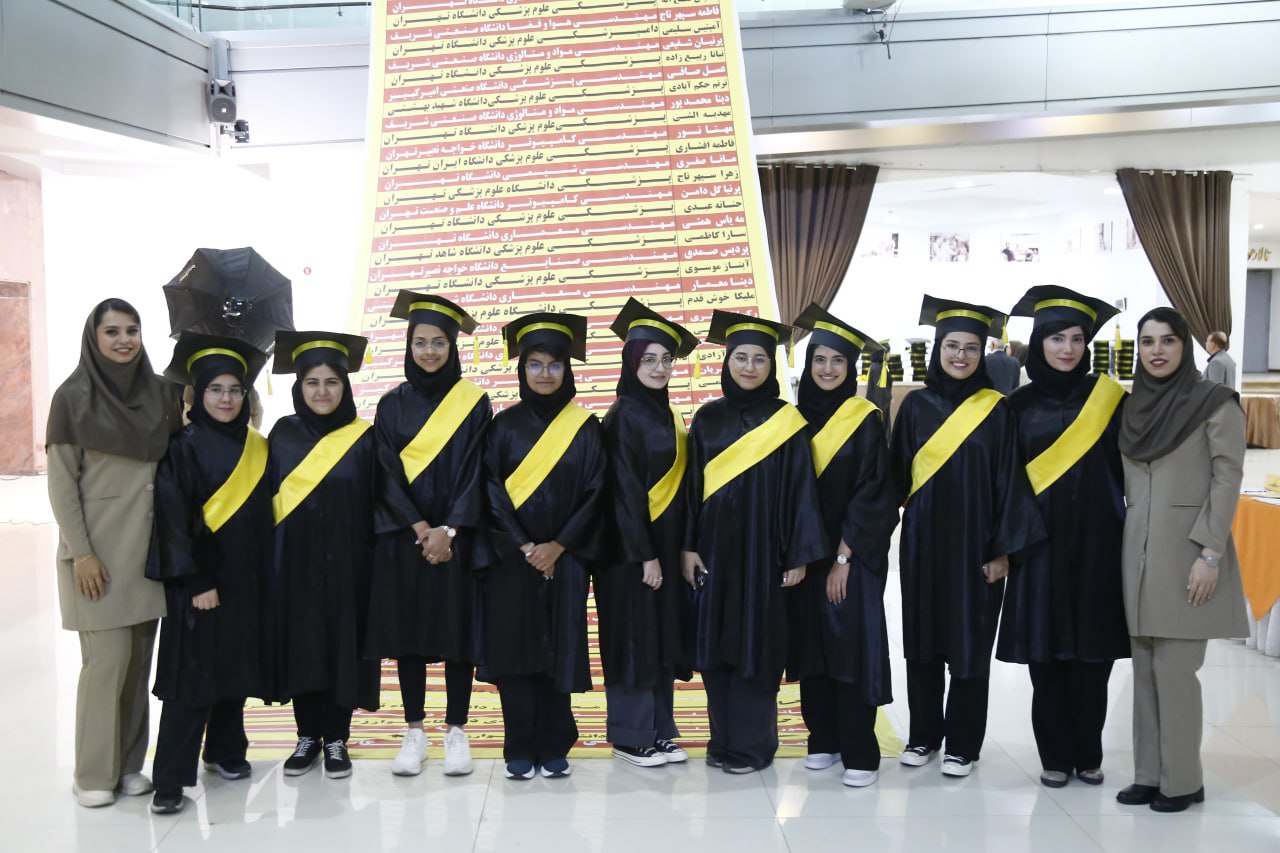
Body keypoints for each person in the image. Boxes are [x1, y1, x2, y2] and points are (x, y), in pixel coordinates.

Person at [889, 295, 1044, 778]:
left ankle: (963, 744)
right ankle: (922, 736)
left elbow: (1010, 483)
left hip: (978, 547)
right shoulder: (915, 407)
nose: (961, 356)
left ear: (983, 353)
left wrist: (1002, 550)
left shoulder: (997, 411)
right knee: (922, 642)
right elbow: (893, 479)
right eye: (952, 346)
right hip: (923, 545)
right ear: (938, 350)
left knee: (970, 645)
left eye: (971, 348)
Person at [47, 299, 182, 808]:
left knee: (137, 665)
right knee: (107, 662)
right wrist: (81, 553)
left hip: (147, 553)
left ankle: (128, 766)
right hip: (98, 553)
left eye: (132, 330)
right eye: (112, 331)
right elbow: (62, 485)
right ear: (94, 337)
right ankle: (91, 774)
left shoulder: (160, 395)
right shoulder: (72, 397)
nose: (124, 340)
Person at [996, 286, 1129, 789]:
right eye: (1057, 339)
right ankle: (1054, 755)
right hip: (1039, 546)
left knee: (1094, 656)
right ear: (1039, 343)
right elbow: (1006, 481)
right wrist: (1008, 544)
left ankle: (1088, 753)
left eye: (1076, 339)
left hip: (1099, 544)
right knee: (1046, 655)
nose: (1068, 349)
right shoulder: (1018, 406)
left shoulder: (1110, 400)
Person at [681, 310, 825, 774]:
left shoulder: (787, 420)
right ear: (727, 362)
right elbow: (690, 489)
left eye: (759, 358)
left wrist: (798, 554)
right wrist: (688, 546)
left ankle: (753, 748)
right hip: (714, 553)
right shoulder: (708, 419)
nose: (749, 366)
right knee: (716, 647)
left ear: (771, 365)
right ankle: (722, 741)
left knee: (757, 647)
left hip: (766, 554)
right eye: (740, 357)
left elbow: (801, 491)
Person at [1115, 307, 1247, 813]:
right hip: (1137, 554)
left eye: (1168, 340)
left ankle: (1183, 781)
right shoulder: (1133, 408)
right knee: (1146, 669)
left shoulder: (1214, 403)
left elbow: (1227, 479)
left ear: (1184, 346)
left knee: (1175, 671)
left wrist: (1210, 553)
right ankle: (1150, 775)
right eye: (1147, 342)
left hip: (1189, 554)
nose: (1157, 351)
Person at [365, 292, 492, 778]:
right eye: (420, 342)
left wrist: (450, 529)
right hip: (406, 537)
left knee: (457, 634)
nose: (429, 351)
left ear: (453, 346)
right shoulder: (391, 404)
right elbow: (385, 473)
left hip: (456, 539)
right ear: (408, 345)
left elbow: (478, 469)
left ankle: (456, 730)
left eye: (439, 342)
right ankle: (415, 730)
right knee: (410, 636)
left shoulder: (473, 401)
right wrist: (421, 528)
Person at [147, 333, 272, 815]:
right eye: (215, 390)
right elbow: (174, 518)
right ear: (197, 395)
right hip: (199, 583)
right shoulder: (183, 447)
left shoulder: (257, 446)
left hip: (246, 580)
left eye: (235, 390)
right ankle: (170, 778)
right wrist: (198, 580)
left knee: (234, 668)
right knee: (192, 681)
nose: (226, 399)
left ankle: (224, 751)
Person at [482, 312, 604, 780]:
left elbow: (596, 492)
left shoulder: (585, 427)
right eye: (535, 364)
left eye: (555, 365)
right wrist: (524, 545)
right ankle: (519, 745)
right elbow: (490, 491)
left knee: (559, 648)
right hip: (512, 560)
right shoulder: (503, 426)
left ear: (567, 369)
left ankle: (555, 743)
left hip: (566, 559)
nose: (545, 374)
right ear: (522, 369)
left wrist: (558, 545)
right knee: (515, 653)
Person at [789, 304, 897, 788]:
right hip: (807, 557)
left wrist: (843, 557)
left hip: (851, 556)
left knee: (852, 646)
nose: (828, 369)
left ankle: (860, 751)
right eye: (820, 360)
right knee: (812, 646)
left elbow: (875, 493)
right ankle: (824, 740)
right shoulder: (793, 420)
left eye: (838, 361)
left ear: (851, 368)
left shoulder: (866, 419)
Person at [268, 330, 380, 779]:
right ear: (299, 387)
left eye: (331, 382)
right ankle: (307, 735)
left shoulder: (365, 438)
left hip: (350, 565)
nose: (321, 391)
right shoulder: (282, 434)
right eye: (312, 382)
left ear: (345, 386)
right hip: (293, 564)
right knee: (303, 647)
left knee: (343, 648)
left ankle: (336, 737)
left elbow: (378, 502)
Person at [597, 299, 700, 767]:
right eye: (649, 360)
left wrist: (681, 547)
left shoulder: (670, 415)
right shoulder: (621, 416)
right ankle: (630, 735)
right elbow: (622, 491)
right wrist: (645, 555)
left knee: (660, 635)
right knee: (633, 638)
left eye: (666, 360)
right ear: (631, 363)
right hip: (628, 552)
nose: (659, 368)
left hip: (664, 544)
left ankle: (659, 730)